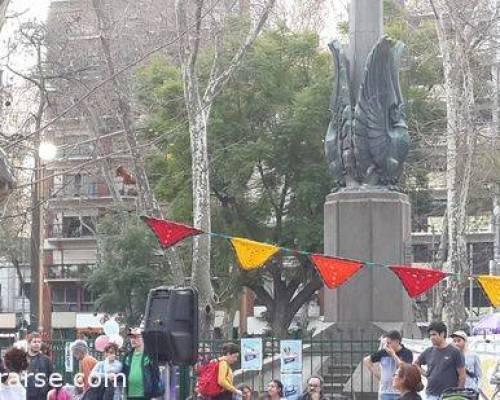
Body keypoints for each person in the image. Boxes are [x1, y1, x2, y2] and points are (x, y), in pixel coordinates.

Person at [414, 321, 466, 400]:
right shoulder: (428, 351)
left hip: (449, 395)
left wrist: (457, 394)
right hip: (431, 394)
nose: (431, 337)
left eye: (434, 334)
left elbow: (462, 376)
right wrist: (426, 374)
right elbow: (416, 364)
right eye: (430, 335)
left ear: (442, 334)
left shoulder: (455, 352)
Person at [364, 330, 414, 400]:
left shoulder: (407, 353)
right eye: (386, 343)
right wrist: (378, 375)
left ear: (397, 341)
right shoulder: (384, 352)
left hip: (400, 392)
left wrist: (393, 355)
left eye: (389, 343)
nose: (387, 345)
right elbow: (366, 360)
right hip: (385, 392)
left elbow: (404, 368)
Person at [122, 327, 163, 400]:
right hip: (130, 396)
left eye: (136, 337)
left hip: (146, 396)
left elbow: (155, 376)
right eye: (131, 337)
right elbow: (122, 374)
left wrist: (154, 396)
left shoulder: (150, 356)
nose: (133, 339)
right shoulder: (127, 356)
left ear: (144, 338)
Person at [26, 331, 54, 400]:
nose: (37, 344)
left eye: (39, 342)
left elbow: (52, 377)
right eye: (34, 342)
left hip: (42, 396)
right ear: (29, 343)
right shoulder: (22, 359)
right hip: (26, 395)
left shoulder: (46, 360)